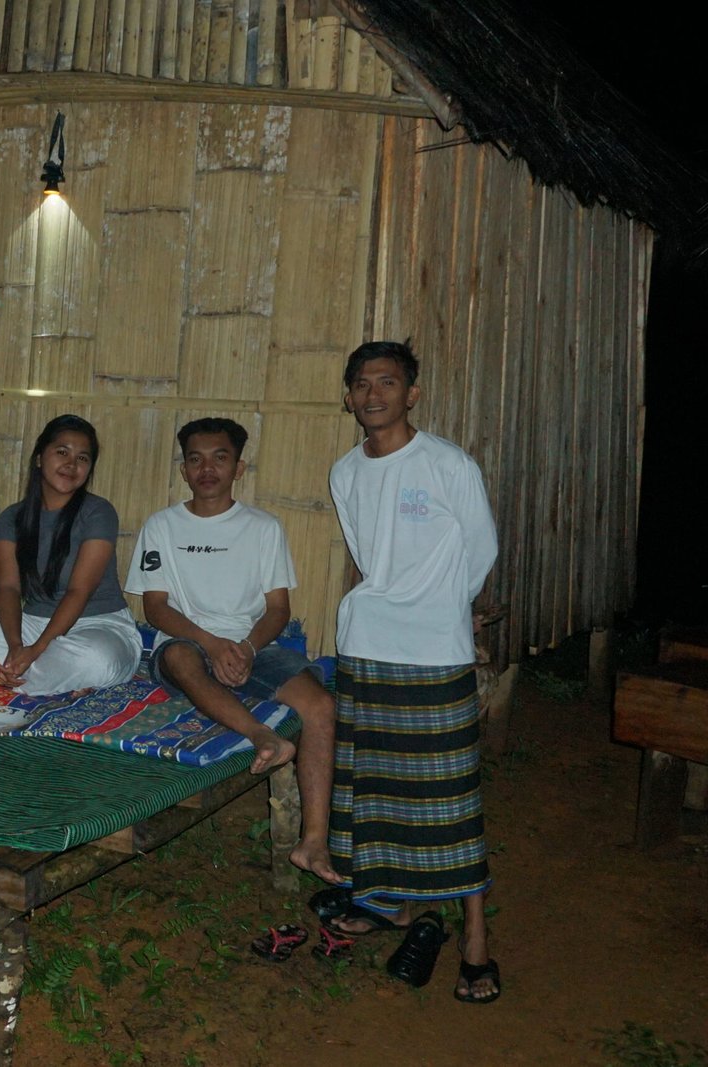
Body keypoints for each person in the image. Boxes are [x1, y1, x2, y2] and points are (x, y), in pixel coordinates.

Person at [327, 341, 502, 1003]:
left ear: (412, 393)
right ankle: (392, 904)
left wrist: (444, 608)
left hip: (436, 650)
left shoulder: (448, 463)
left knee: (453, 797)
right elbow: (369, 555)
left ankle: (476, 934)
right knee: (378, 788)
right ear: (349, 397)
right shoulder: (345, 471)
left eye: (388, 382)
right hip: (367, 642)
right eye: (362, 384)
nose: (374, 394)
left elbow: (481, 546)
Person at [126, 417, 340, 885]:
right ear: (183, 469)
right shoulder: (162, 525)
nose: (207, 469)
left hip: (253, 645)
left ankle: (315, 840)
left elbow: (279, 609)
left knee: (321, 705)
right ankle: (263, 735)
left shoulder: (263, 527)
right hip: (187, 642)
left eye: (220, 458)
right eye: (196, 459)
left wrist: (244, 647)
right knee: (181, 658)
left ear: (238, 467)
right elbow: (156, 608)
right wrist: (213, 644)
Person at [0, 414, 141, 694]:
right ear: (40, 458)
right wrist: (17, 646)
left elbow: (79, 591)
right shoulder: (12, 518)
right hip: (31, 625)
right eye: (62, 452)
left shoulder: (98, 512)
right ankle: (38, 678)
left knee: (97, 659)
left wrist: (37, 650)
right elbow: (7, 587)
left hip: (99, 627)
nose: (71, 464)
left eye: (82, 458)